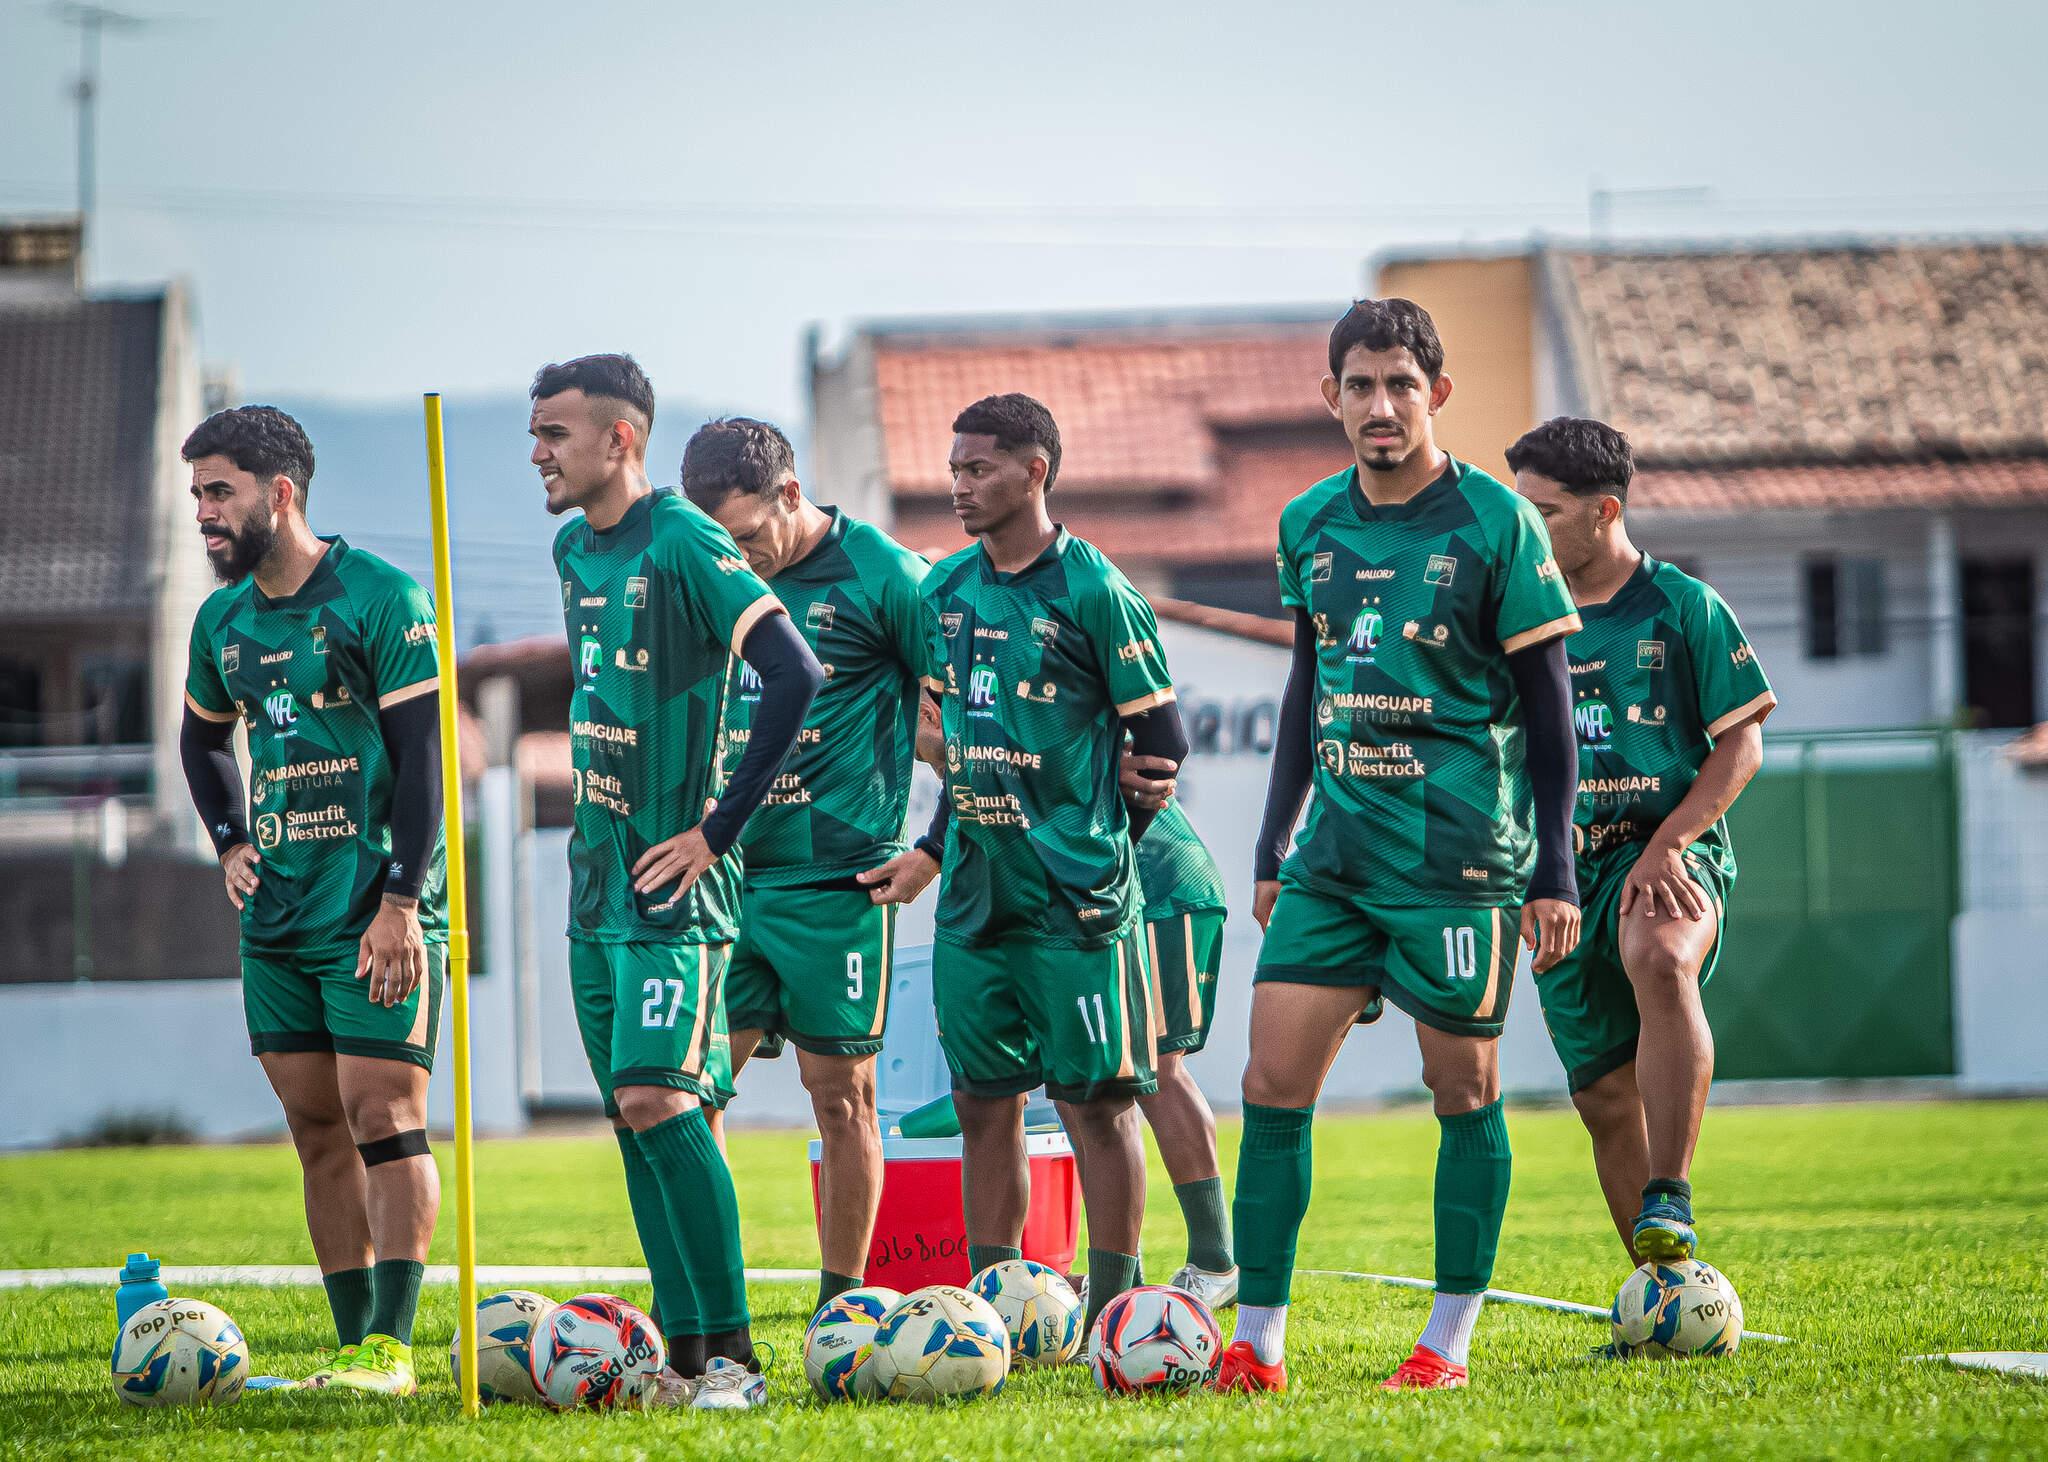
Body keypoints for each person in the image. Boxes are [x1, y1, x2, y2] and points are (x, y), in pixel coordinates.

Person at [1216, 300, 1583, 1395]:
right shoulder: (1306, 522)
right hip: (1330, 858)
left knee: (1460, 1088)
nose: (1380, 407)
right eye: (1360, 386)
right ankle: (1258, 1343)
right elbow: (1302, 685)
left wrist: (1552, 871)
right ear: (1329, 396)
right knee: (1269, 1083)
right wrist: (1272, 845)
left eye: (1400, 386)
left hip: (1458, 861)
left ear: (1436, 395)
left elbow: (1551, 710)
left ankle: (1445, 1344)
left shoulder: (1495, 524)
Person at [862, 392, 1190, 1335]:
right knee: (981, 1102)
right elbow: (941, 729)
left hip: (1075, 903)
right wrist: (935, 836)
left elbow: (1160, 737)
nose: (959, 486)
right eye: (955, 469)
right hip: (974, 898)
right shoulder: (943, 591)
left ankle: (1117, 1305)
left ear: (1034, 471)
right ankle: (992, 1302)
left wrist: (1101, 830)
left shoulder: (1093, 588)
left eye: (978, 469)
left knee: (1096, 1105)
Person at [533, 355, 823, 1409]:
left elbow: (796, 671)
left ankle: (736, 1362)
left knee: (666, 1096)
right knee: (632, 1110)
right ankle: (685, 1356)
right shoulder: (572, 550)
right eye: (534, 433)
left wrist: (715, 829)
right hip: (595, 882)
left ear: (621, 440)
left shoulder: (688, 538)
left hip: (674, 888)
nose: (537, 454)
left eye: (554, 433)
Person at [179, 405, 446, 1395]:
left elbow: (424, 762)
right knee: (315, 1125)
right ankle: (350, 1350)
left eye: (220, 492)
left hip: (372, 904)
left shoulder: (380, 596)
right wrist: (229, 841)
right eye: (198, 493)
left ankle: (393, 1346)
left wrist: (402, 900)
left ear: (279, 492)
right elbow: (201, 741)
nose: (204, 512)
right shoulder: (222, 620)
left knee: (383, 1113)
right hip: (277, 915)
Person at [1507, 417, 1774, 1275]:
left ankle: (1673, 1194)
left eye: (1542, 512)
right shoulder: (1515, 619)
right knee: (1599, 1095)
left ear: (1603, 511)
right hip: (1557, 872)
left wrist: (1671, 843)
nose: (1526, 528)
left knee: (1660, 956)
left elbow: (1743, 742)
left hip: (1660, 848)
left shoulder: (1684, 605)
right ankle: (1661, 1295)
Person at [681, 416, 929, 1315]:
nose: (738, 560)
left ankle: (843, 1304)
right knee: (688, 1094)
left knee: (842, 1098)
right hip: (730, 881)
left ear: (792, 494)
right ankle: (708, 1307)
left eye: (748, 537)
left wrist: (934, 849)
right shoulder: (713, 577)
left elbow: (967, 713)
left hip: (840, 886)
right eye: (724, 545)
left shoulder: (886, 574)